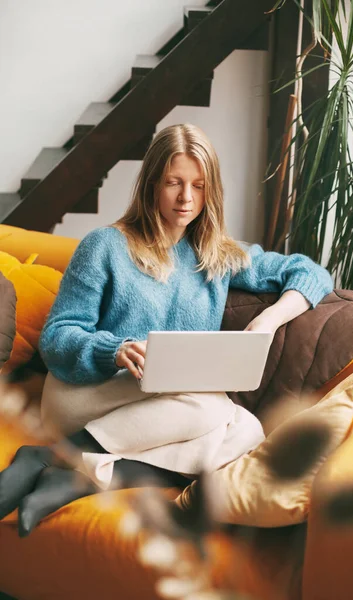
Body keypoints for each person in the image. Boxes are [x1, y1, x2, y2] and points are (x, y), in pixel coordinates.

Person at [0, 124, 333, 537]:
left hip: (160, 409)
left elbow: (312, 273)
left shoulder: (219, 256)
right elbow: (57, 339)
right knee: (212, 407)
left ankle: (82, 475)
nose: (186, 198)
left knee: (248, 433)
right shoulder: (104, 246)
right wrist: (114, 349)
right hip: (85, 395)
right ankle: (50, 454)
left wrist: (269, 319)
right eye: (174, 183)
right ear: (152, 184)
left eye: (198, 185)